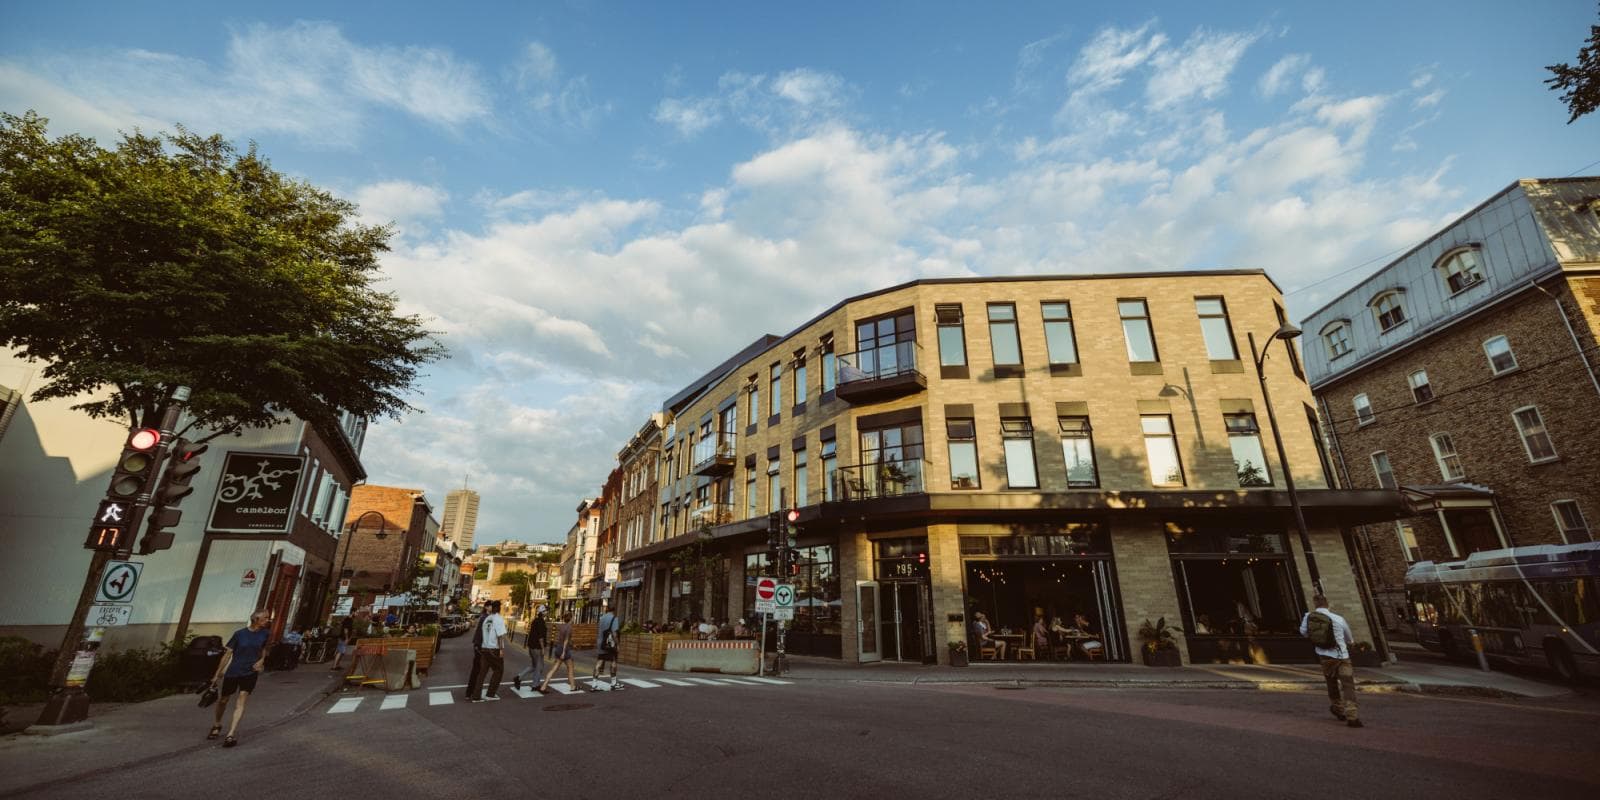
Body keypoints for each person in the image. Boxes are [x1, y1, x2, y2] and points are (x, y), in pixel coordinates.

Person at [208, 610, 272, 748]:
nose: (268, 620)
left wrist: (261, 661)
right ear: (256, 619)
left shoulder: (265, 633)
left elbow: (264, 650)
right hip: (234, 671)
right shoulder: (239, 634)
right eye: (265, 618)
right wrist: (217, 674)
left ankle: (230, 734)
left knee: (242, 698)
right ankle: (217, 724)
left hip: (250, 672)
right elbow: (227, 654)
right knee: (223, 700)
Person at [1301, 594, 1361, 727]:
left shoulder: (1308, 617)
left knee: (1331, 682)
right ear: (1327, 604)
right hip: (1342, 656)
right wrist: (1349, 643)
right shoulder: (1338, 618)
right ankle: (1352, 715)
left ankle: (1338, 708)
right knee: (1348, 685)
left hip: (1325, 657)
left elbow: (1303, 632)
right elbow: (1349, 638)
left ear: (1315, 604)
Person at [466, 601, 507, 702]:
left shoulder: (487, 618)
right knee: (499, 670)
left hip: (484, 648)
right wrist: (501, 649)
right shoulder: (498, 619)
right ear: (499, 608)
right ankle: (490, 694)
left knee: (482, 673)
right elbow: (500, 635)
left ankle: (476, 696)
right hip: (494, 649)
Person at [538, 612, 578, 694]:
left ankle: (543, 686)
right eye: (573, 617)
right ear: (571, 618)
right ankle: (573, 686)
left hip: (558, 648)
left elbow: (562, 639)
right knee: (570, 668)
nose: (573, 619)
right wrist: (564, 652)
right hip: (564, 650)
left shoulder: (562, 626)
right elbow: (566, 640)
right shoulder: (569, 628)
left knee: (554, 669)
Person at [512, 609, 548, 692]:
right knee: (539, 667)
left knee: (534, 666)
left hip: (531, 647)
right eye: (545, 611)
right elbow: (541, 637)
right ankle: (535, 685)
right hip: (537, 648)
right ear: (542, 613)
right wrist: (543, 648)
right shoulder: (541, 622)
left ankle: (518, 677)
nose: (546, 612)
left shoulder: (535, 620)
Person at [592, 607, 623, 691]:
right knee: (613, 662)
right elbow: (614, 633)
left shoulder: (601, 618)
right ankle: (613, 683)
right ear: (614, 610)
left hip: (601, 643)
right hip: (610, 644)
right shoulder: (614, 618)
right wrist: (617, 644)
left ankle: (594, 684)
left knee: (599, 662)